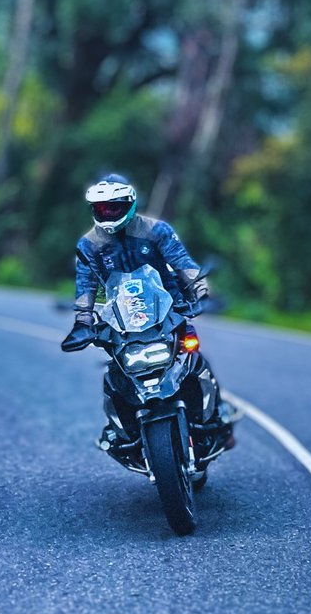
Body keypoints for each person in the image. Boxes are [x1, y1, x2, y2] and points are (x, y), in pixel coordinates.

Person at [60, 173, 235, 452]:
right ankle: (121, 429)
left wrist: (202, 292)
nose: (108, 213)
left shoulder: (156, 230)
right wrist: (83, 321)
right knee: (114, 375)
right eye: (102, 208)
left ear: (129, 204)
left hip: (170, 310)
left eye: (114, 207)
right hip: (121, 321)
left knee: (193, 357)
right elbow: (86, 284)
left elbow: (182, 262)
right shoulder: (89, 244)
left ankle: (215, 415)